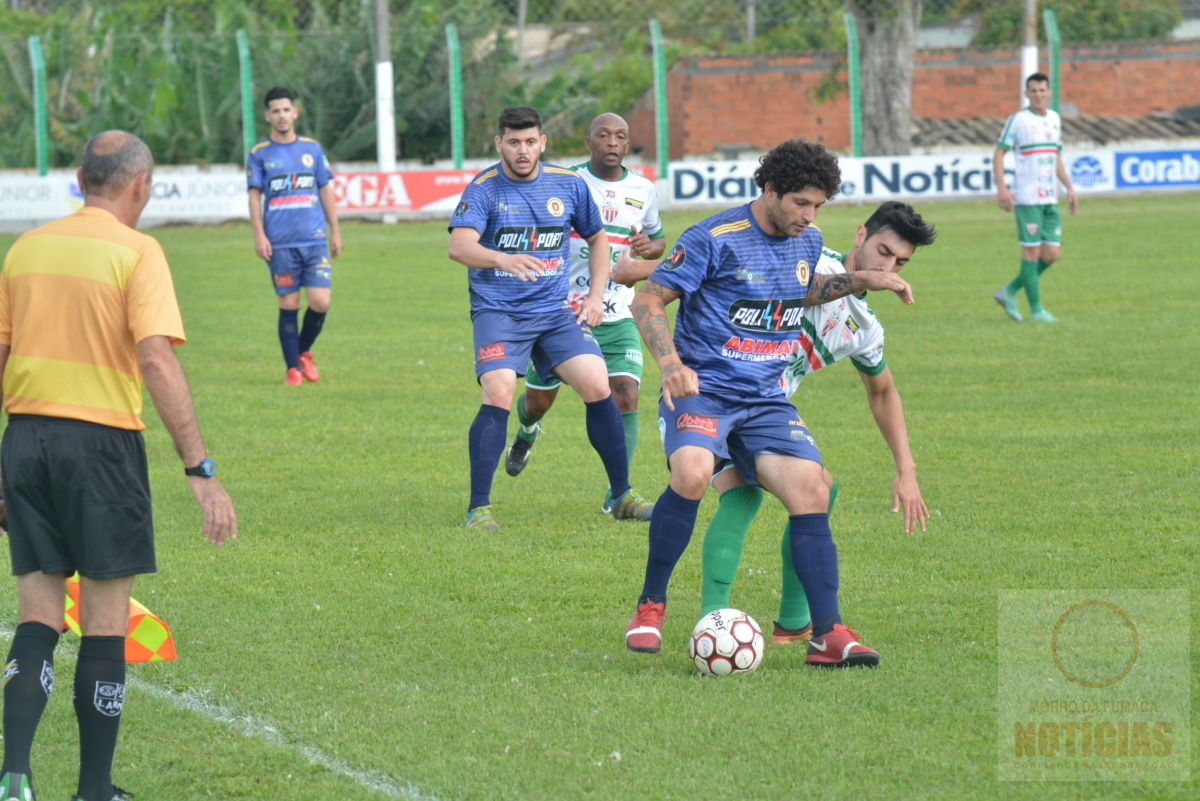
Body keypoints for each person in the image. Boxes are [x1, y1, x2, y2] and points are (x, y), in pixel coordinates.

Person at [0, 131, 237, 801]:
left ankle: (14, 774)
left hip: (26, 438)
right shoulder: (138, 250)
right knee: (105, 621)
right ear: (141, 186)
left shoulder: (25, 247)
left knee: (38, 614)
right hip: (100, 446)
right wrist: (200, 467)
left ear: (81, 178)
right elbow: (157, 358)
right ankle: (94, 788)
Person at [623, 139, 913, 667]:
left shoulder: (808, 241)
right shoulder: (715, 236)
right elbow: (648, 297)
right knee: (690, 472)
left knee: (813, 488)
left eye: (819, 205)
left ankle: (827, 634)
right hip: (704, 389)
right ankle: (651, 605)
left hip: (764, 398)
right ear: (771, 190)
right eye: (802, 202)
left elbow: (801, 288)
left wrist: (863, 280)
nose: (810, 215)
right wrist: (670, 366)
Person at [698, 201, 937, 644]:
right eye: (884, 251)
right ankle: (713, 621)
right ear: (860, 235)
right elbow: (797, 286)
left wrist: (906, 468)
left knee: (820, 489)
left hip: (767, 410)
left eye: (901, 261)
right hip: (714, 391)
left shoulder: (865, 327)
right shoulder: (809, 258)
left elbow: (883, 391)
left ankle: (794, 621)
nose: (890, 266)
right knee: (742, 496)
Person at [447, 106, 654, 530]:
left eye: (529, 142)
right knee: (501, 390)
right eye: (513, 142)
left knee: (599, 384)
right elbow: (460, 247)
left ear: (542, 143)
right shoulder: (485, 188)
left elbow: (597, 239)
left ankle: (620, 495)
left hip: (555, 313)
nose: (522, 151)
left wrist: (595, 296)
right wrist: (501, 259)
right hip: (499, 312)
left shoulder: (567, 184)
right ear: (499, 145)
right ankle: (479, 508)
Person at [505, 113, 666, 519]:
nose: (612, 142)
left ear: (628, 145)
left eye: (621, 137)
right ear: (587, 141)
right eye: (603, 136)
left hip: (618, 307)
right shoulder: (563, 179)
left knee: (626, 393)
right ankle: (526, 430)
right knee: (540, 402)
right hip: (562, 308)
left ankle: (619, 495)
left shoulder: (644, 188)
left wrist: (650, 246)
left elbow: (657, 240)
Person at [247, 85, 342, 385]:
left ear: (295, 113)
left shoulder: (312, 149)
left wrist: (335, 229)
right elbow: (254, 196)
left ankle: (302, 351)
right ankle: (292, 370)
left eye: (286, 109)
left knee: (320, 302)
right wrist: (259, 235)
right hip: (280, 242)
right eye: (275, 111)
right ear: (267, 116)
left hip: (314, 239)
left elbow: (325, 189)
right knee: (288, 305)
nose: (281, 115)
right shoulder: (259, 153)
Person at [992, 72, 1077, 323]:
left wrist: (1069, 187)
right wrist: (1002, 188)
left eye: (1042, 90)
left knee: (1051, 255)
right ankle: (1037, 310)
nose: (1038, 95)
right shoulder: (1018, 120)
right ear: (1026, 94)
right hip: (1027, 199)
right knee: (1030, 254)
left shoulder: (1054, 119)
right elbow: (999, 154)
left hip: (1049, 198)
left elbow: (1055, 157)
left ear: (1049, 92)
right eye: (1033, 91)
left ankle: (1008, 291)